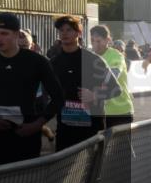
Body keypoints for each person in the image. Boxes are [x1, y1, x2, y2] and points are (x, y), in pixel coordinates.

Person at [0, 13, 64, 166]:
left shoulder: (36, 61)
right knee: (2, 178)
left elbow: (58, 98)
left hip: (28, 134)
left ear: (17, 34)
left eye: (4, 33)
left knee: (27, 179)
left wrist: (37, 125)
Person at [50, 15, 119, 152]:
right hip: (65, 129)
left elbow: (116, 89)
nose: (64, 34)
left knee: (91, 166)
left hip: (91, 129)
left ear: (79, 33)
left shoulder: (94, 60)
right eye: (61, 30)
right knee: (63, 165)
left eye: (69, 30)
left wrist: (94, 95)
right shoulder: (54, 63)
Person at [90, 25, 134, 129]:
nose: (95, 44)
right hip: (100, 112)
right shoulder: (91, 56)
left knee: (119, 141)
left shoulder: (116, 56)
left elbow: (113, 76)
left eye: (99, 41)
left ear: (107, 40)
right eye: (92, 41)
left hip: (120, 112)